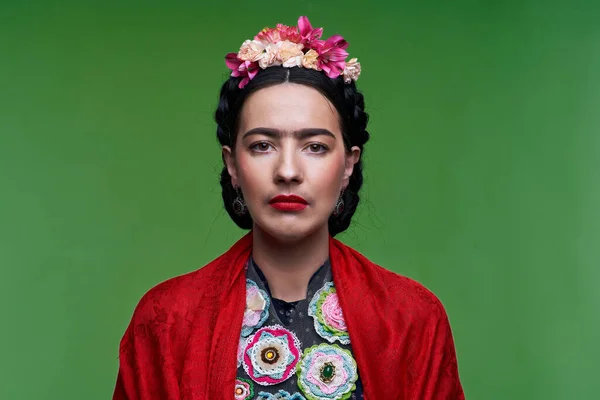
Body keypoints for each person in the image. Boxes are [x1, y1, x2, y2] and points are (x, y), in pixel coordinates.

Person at [113, 16, 465, 400]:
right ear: (232, 165)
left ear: (348, 164)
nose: (287, 171)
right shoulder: (166, 320)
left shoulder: (412, 319)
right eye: (262, 145)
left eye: (315, 146)